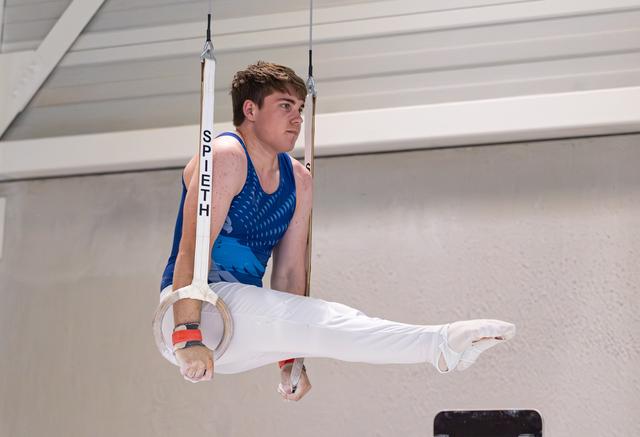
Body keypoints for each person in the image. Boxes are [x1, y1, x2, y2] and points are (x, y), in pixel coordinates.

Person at [159, 61, 516, 402]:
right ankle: (439, 345)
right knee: (325, 320)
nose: (297, 118)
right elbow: (193, 247)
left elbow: (289, 274)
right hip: (195, 310)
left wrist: (290, 360)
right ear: (250, 110)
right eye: (285, 106)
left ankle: (439, 347)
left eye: (300, 107)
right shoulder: (225, 155)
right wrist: (187, 336)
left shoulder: (298, 180)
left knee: (325, 324)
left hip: (242, 329)